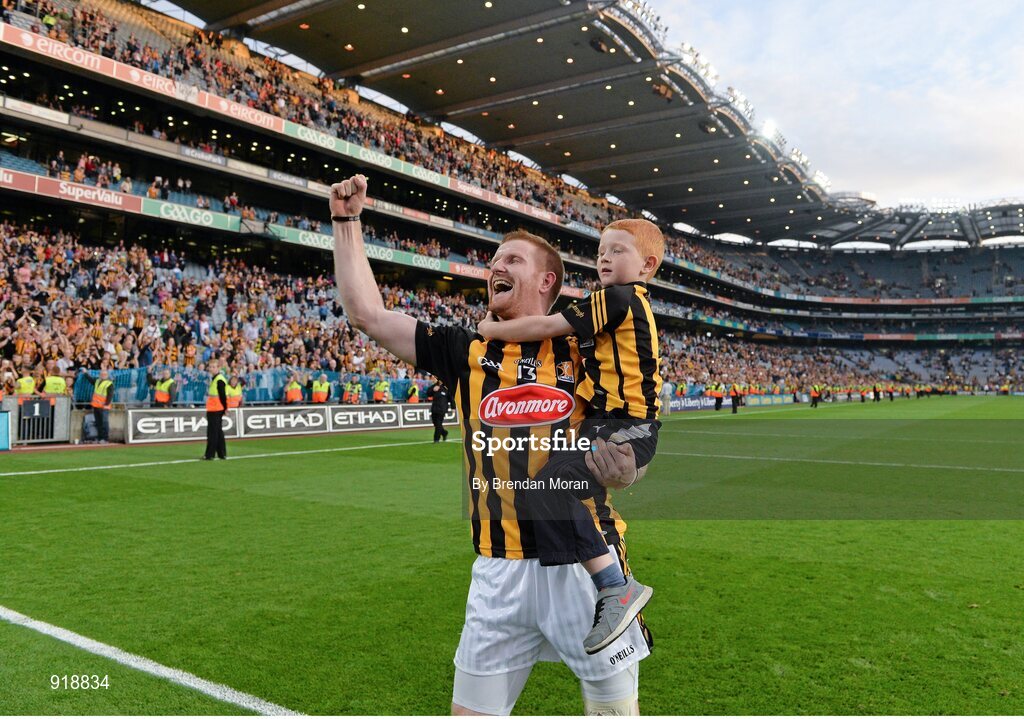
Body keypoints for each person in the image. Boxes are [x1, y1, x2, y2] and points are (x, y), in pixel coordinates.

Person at [330, 175, 650, 715]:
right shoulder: (465, 348)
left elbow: (623, 428)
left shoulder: (584, 348)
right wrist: (345, 221)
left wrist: (624, 468)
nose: (495, 267)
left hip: (580, 563)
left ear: (548, 279)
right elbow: (370, 316)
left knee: (613, 712)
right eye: (494, 260)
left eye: (511, 260)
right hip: (497, 568)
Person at [477, 218, 662, 654]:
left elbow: (545, 327)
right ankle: (610, 594)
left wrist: (492, 330)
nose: (604, 257)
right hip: (610, 424)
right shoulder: (618, 305)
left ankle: (616, 588)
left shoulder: (616, 297)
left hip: (623, 425)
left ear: (647, 265)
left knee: (549, 489)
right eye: (602, 249)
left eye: (618, 251)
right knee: (546, 490)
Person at [80, 368, 113, 443]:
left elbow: (110, 395)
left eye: (104, 374)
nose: (103, 375)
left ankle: (105, 438)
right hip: (96, 406)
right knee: (98, 423)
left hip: (104, 407)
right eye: (101, 374)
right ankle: (100, 438)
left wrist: (106, 404)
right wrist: (85, 373)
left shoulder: (109, 384)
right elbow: (90, 379)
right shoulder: (97, 381)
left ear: (107, 375)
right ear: (99, 375)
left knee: (104, 422)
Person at [202, 360, 228, 460]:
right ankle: (222, 453)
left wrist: (225, 408)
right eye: (210, 367)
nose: (211, 368)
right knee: (218, 432)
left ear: (218, 368)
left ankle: (210, 454)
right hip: (215, 408)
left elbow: (222, 396)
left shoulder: (219, 379)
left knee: (212, 433)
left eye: (213, 367)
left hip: (215, 409)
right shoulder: (216, 379)